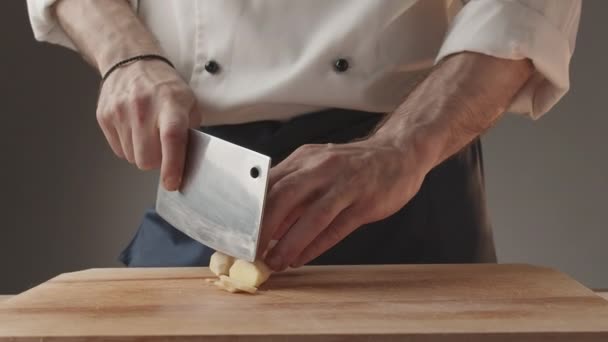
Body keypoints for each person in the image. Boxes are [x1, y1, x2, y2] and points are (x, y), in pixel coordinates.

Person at [26, 0, 581, 272]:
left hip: (405, 180)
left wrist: (399, 147)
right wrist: (126, 53)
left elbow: (522, 7)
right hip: (203, 171)